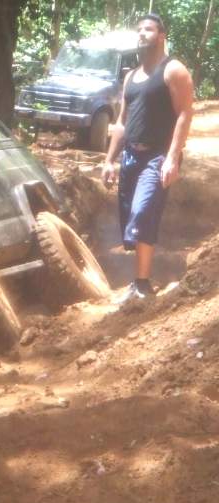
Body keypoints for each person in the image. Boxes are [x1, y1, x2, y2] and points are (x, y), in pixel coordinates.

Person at [101, 14, 193, 301]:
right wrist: (109, 160)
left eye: (148, 29)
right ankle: (141, 283)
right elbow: (121, 123)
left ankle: (142, 283)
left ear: (162, 35)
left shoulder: (173, 70)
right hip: (130, 157)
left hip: (157, 157)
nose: (142, 33)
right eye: (138, 29)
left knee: (141, 213)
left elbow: (185, 114)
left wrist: (172, 157)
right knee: (135, 218)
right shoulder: (131, 76)